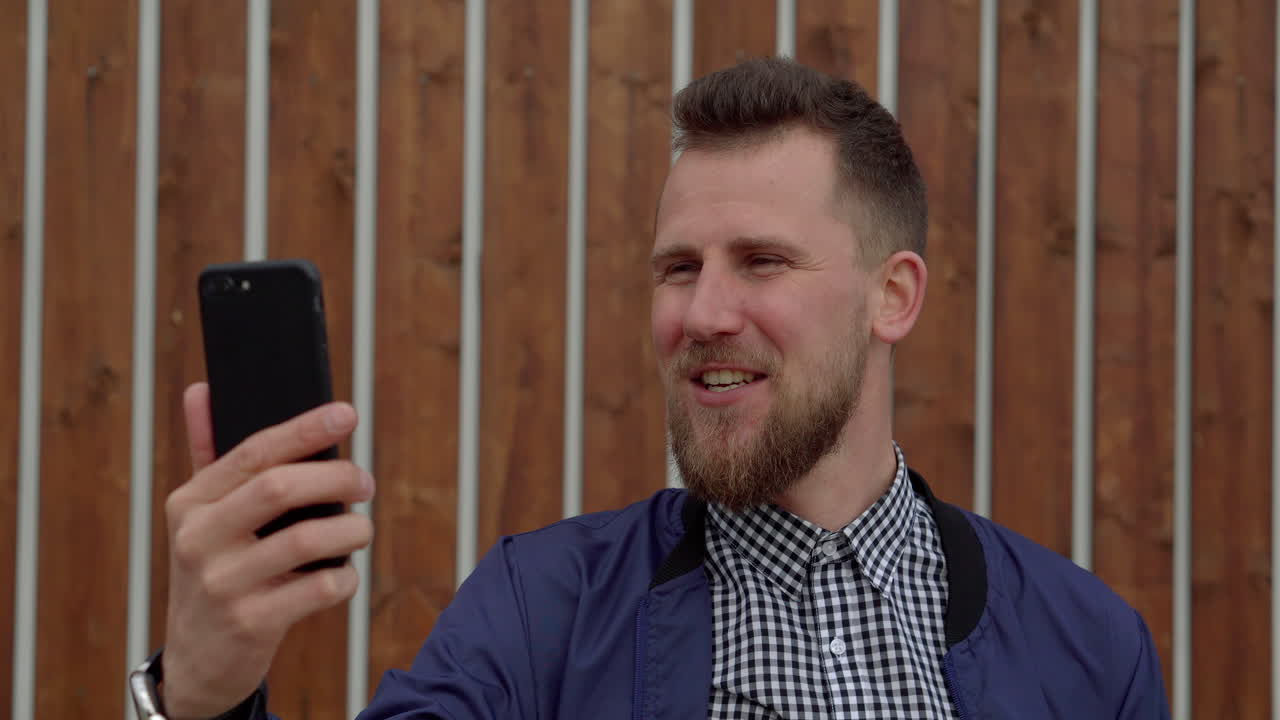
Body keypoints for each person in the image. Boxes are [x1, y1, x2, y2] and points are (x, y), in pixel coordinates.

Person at [139, 58, 1170, 719]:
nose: (701, 315)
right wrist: (201, 698)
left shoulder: (1086, 650)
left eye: (761, 261)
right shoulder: (536, 616)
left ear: (890, 296)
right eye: (678, 268)